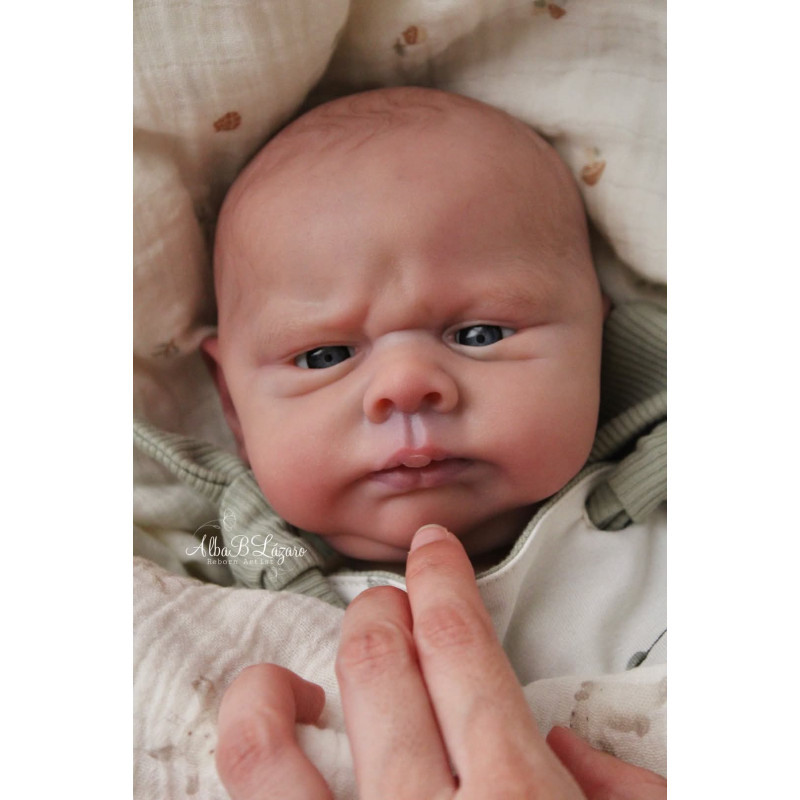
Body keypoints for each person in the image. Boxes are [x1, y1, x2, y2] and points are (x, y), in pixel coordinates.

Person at [172, 85, 666, 796]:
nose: (404, 385)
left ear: (600, 341)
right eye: (323, 356)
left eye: (480, 333)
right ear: (233, 406)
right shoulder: (208, 586)